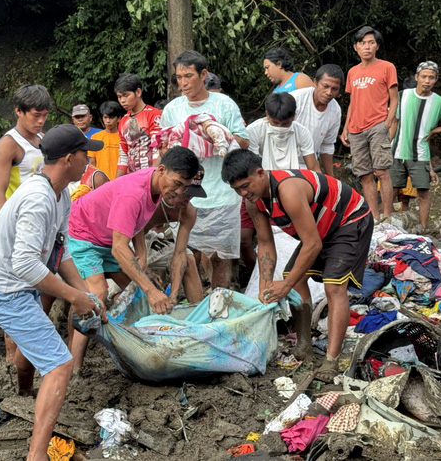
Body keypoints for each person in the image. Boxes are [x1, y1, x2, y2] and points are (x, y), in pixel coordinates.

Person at [0, 124, 106, 460]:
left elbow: (59, 252)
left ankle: (23, 392)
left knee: (36, 342)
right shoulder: (38, 199)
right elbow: (25, 265)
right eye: (84, 155)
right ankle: (36, 455)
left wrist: (87, 294)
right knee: (60, 365)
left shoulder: (60, 193)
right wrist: (74, 298)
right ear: (67, 159)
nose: (88, 161)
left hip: (18, 285)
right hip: (4, 289)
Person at [222, 149, 373, 382]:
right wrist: (265, 288)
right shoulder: (252, 201)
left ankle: (331, 360)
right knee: (292, 279)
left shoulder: (288, 190)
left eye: (246, 185)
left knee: (333, 287)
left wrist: (286, 284)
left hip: (349, 220)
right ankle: (304, 345)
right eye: (237, 190)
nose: (243, 193)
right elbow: (264, 242)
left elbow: (312, 244)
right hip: (320, 228)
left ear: (261, 173)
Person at [67, 146, 200, 370]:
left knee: (134, 292)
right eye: (177, 184)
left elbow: (135, 220)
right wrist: (152, 291)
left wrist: (142, 251)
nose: (178, 193)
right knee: (96, 294)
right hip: (84, 234)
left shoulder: (156, 185)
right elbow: (120, 248)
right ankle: (74, 366)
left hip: (108, 237)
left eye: (185, 188)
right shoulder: (133, 192)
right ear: (161, 170)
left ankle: (138, 346)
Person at [160, 50, 249, 288]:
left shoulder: (224, 104)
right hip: (187, 193)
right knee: (189, 255)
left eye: (188, 76)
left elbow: (244, 141)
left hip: (221, 193)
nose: (183, 82)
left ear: (203, 74)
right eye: (179, 77)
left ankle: (219, 301)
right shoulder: (173, 110)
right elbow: (163, 150)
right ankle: (195, 304)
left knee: (220, 257)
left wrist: (218, 137)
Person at [242, 91, 319, 268]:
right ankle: (255, 272)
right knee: (249, 239)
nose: (280, 127)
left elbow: (313, 168)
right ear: (267, 115)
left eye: (286, 123)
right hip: (260, 188)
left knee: (294, 237)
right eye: (275, 123)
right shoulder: (254, 131)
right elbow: (250, 169)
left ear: (294, 116)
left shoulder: (301, 132)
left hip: (292, 188)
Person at [391, 61, 441, 229]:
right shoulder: (402, 95)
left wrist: (434, 131)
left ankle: (423, 228)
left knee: (423, 193)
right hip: (396, 152)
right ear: (417, 77)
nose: (427, 80)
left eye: (431, 77)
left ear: (436, 79)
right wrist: (385, 146)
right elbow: (393, 121)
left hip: (420, 155)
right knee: (390, 192)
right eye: (424, 77)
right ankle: (387, 225)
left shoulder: (439, 102)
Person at [340, 26, 398, 222]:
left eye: (371, 43)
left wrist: (387, 122)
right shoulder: (352, 72)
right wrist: (346, 127)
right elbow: (352, 102)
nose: (366, 47)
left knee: (381, 171)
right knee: (364, 175)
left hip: (377, 124)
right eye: (362, 43)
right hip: (356, 129)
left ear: (377, 46)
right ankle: (374, 217)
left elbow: (394, 99)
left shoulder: (387, 67)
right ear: (356, 47)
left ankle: (388, 216)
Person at [142, 166, 207, 304]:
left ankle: (198, 312)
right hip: (130, 241)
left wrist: (173, 294)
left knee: (188, 259)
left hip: (155, 240)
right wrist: (145, 270)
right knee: (127, 273)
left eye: (192, 194)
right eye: (185, 193)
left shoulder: (188, 212)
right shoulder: (153, 198)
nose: (188, 198)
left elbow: (180, 253)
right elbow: (128, 239)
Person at [0, 85, 51, 212]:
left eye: (45, 115)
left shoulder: (44, 138)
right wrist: (3, 221)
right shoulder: (8, 144)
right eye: (36, 115)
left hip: (43, 209)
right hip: (19, 212)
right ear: (19, 111)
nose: (41, 121)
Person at [290, 64, 344, 176]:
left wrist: (331, 179)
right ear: (315, 83)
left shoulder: (335, 110)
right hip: (282, 161)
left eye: (334, 89)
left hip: (309, 165)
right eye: (325, 86)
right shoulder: (295, 100)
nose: (329, 92)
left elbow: (327, 146)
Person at [114, 73, 162, 176]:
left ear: (138, 92)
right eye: (119, 97)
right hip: (132, 179)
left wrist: (152, 178)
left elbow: (158, 151)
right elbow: (123, 156)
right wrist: (115, 184)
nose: (122, 100)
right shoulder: (123, 121)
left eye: (126, 95)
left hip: (152, 176)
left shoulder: (153, 115)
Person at [88, 100, 123, 179]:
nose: (108, 121)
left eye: (111, 117)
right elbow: (92, 163)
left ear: (118, 119)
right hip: (101, 182)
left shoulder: (124, 137)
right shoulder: (95, 137)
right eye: (105, 117)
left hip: (120, 180)